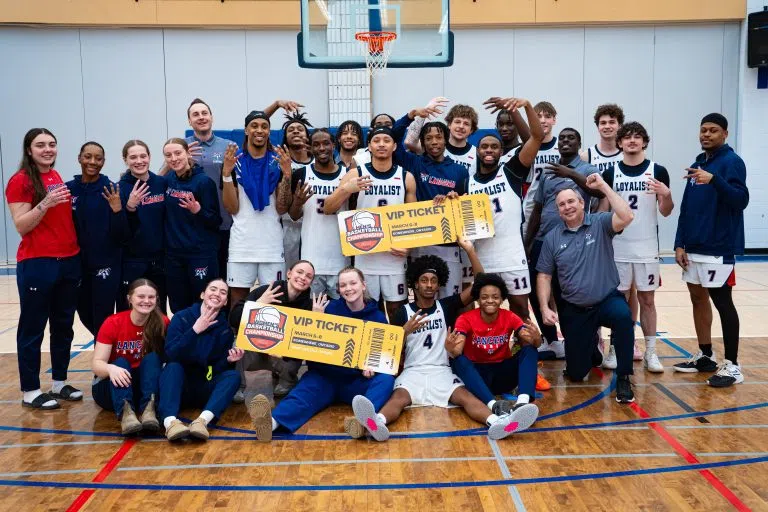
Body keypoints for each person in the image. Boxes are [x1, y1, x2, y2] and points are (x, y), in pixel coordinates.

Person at [347, 240, 537, 441]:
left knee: (466, 398)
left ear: (439, 285)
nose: (429, 285)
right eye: (424, 280)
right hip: (413, 371)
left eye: (433, 281)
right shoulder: (403, 313)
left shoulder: (446, 306)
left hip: (442, 371)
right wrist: (404, 331)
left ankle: (498, 422)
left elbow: (480, 283)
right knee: (398, 399)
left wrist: (469, 250)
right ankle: (377, 422)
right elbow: (389, 351)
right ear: (415, 283)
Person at [247, 267, 394, 441]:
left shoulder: (378, 317)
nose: (348, 288)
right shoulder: (327, 308)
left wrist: (372, 367)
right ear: (338, 289)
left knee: (386, 379)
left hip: (355, 381)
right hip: (324, 377)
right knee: (301, 395)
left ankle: (364, 421)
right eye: (343, 285)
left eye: (353, 283)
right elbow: (307, 343)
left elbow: (382, 354)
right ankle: (270, 423)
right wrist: (315, 321)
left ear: (363, 285)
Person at [536, 176, 636, 403]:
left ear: (582, 203)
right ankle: (591, 349)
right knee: (576, 374)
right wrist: (543, 307)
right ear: (558, 210)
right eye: (562, 204)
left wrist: (603, 187)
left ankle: (623, 377)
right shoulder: (552, 238)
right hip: (575, 308)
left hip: (606, 300)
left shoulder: (600, 223)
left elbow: (627, 216)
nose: (567, 207)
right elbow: (544, 275)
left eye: (571, 201)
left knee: (623, 316)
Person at [6, 128, 83, 410]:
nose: (47, 149)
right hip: (38, 262)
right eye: (40, 145)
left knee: (63, 326)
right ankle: (30, 390)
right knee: (33, 327)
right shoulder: (21, 180)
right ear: (29, 150)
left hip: (68, 261)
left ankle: (59, 383)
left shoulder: (55, 176)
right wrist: (45, 203)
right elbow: (21, 225)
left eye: (52, 144)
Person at [673, 113, 749, 387]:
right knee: (697, 298)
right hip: (693, 247)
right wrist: (679, 243)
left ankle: (733, 365)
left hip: (719, 247)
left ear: (725, 134)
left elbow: (741, 200)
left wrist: (714, 179)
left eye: (713, 130)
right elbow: (686, 208)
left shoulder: (732, 162)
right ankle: (705, 355)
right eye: (703, 130)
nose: (706, 134)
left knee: (722, 302)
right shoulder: (697, 165)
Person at [599, 122, 672, 373]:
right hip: (618, 247)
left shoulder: (657, 171)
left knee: (647, 300)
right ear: (619, 143)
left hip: (647, 247)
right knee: (618, 302)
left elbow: (666, 211)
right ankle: (616, 349)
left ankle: (651, 351)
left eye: (637, 137)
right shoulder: (611, 173)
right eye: (627, 137)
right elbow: (604, 212)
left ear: (644, 142)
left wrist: (667, 194)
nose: (632, 141)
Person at [324, 126, 418, 320]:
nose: (381, 144)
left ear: (394, 146)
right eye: (376, 140)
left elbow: (413, 219)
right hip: (365, 256)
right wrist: (346, 189)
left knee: (397, 310)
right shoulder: (355, 173)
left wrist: (409, 247)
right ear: (369, 146)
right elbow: (328, 207)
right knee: (367, 310)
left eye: (386, 140)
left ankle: (398, 341)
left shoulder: (406, 177)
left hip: (394, 257)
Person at [525, 127, 602, 359]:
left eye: (571, 138)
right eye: (562, 138)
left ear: (579, 144)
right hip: (543, 241)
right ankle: (551, 340)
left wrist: (570, 173)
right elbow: (537, 209)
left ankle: (583, 344)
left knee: (570, 296)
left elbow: (598, 193)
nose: (565, 141)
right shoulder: (548, 172)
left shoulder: (587, 170)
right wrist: (527, 243)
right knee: (536, 290)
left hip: (573, 241)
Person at [471, 97, 544, 320]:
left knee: (520, 309)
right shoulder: (468, 182)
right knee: (486, 312)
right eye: (484, 147)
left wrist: (526, 106)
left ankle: (527, 343)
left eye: (494, 147)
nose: (489, 150)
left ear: (501, 151)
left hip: (512, 255)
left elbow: (537, 137)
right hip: (483, 257)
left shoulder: (511, 171)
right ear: (477, 151)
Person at [392, 104, 470, 297]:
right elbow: (393, 137)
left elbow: (466, 208)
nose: (434, 142)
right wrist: (410, 115)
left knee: (450, 301)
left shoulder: (460, 171)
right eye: (428, 138)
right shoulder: (414, 162)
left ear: (446, 140)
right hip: (421, 243)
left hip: (449, 245)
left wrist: (454, 200)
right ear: (422, 142)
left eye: (438, 137)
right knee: (423, 299)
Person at [446, 273, 542, 421]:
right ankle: (493, 405)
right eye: (484, 297)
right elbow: (457, 351)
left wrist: (537, 339)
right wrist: (451, 349)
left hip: (502, 373)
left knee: (530, 350)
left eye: (495, 297)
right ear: (478, 299)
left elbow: (532, 342)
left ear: (502, 299)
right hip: (478, 376)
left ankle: (522, 403)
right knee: (459, 360)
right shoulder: (465, 319)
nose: (490, 300)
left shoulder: (510, 316)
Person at [221, 111, 292, 308]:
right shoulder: (234, 162)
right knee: (237, 301)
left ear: (269, 131)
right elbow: (232, 208)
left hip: (272, 245)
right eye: (254, 126)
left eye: (264, 126)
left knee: (274, 303)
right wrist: (226, 174)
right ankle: (236, 330)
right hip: (241, 245)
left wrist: (287, 175)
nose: (259, 130)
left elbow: (282, 208)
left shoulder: (278, 162)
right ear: (246, 130)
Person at [159, 278, 244, 441]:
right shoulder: (181, 317)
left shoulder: (224, 329)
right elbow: (170, 354)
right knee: (173, 367)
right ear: (203, 294)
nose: (217, 294)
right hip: (178, 385)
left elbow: (216, 369)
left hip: (203, 386)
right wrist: (195, 330)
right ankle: (170, 423)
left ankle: (202, 422)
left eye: (223, 292)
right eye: (213, 289)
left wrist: (228, 361)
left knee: (233, 376)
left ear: (225, 302)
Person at [228, 260, 317, 401]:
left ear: (311, 282)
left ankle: (287, 380)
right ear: (289, 273)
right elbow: (234, 319)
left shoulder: (309, 305)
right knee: (238, 345)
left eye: (308, 276)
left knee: (296, 349)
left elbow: (309, 342)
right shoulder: (266, 291)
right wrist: (258, 304)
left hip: (281, 355)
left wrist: (317, 320)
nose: (303, 277)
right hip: (255, 349)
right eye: (299, 272)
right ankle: (237, 385)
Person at [92, 279, 169, 435]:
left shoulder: (162, 322)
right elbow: (97, 364)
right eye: (141, 296)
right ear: (130, 299)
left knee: (153, 358)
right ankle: (126, 414)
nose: (146, 301)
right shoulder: (113, 322)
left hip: (143, 388)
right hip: (111, 388)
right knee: (120, 362)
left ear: (156, 300)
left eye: (151, 297)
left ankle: (149, 411)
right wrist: (110, 369)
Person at [67, 142, 128, 337]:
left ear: (103, 162)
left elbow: (122, 234)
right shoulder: (68, 190)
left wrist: (117, 211)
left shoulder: (111, 189)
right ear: (79, 158)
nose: (92, 162)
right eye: (88, 156)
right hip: (77, 265)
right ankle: (109, 346)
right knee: (84, 313)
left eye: (98, 158)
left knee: (102, 317)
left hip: (106, 265)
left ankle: (103, 354)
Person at [163, 138, 222, 313]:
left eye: (178, 153)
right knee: (178, 305)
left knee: (202, 303)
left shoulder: (204, 182)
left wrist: (198, 210)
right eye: (168, 155)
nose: (174, 158)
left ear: (188, 153)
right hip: (174, 255)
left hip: (199, 254)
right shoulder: (168, 180)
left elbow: (216, 220)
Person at [289, 129, 349, 299]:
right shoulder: (301, 174)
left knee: (339, 310)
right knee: (311, 309)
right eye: (316, 144)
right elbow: (294, 215)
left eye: (326, 143)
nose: (322, 148)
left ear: (334, 145)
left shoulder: (347, 175)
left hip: (340, 258)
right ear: (310, 148)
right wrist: (298, 202)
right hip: (311, 258)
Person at [118, 140, 168, 313]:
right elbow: (118, 229)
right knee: (131, 311)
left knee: (158, 311)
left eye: (143, 156)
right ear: (125, 160)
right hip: (132, 261)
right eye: (133, 157)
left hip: (159, 260)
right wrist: (130, 207)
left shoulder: (161, 183)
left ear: (149, 157)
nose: (139, 161)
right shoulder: (121, 188)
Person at [280, 111, 313, 270]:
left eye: (300, 129)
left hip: (314, 224)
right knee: (292, 272)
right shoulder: (280, 162)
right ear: (285, 138)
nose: (295, 132)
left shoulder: (320, 162)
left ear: (308, 136)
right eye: (291, 130)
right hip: (289, 226)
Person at [521, 101, 560, 235]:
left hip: (557, 202)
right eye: (538, 116)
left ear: (554, 120)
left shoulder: (562, 146)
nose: (543, 121)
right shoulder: (527, 147)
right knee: (528, 240)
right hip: (532, 202)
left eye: (547, 116)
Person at [581, 104, 625, 173]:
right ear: (598, 126)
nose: (607, 126)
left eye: (612, 122)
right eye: (603, 123)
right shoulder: (586, 156)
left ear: (619, 126)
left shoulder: (628, 153)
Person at [444, 104, 479, 174]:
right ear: (449, 124)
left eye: (466, 124)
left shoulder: (477, 154)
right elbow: (417, 143)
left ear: (471, 130)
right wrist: (422, 117)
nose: (461, 126)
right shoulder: (438, 148)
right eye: (457, 122)